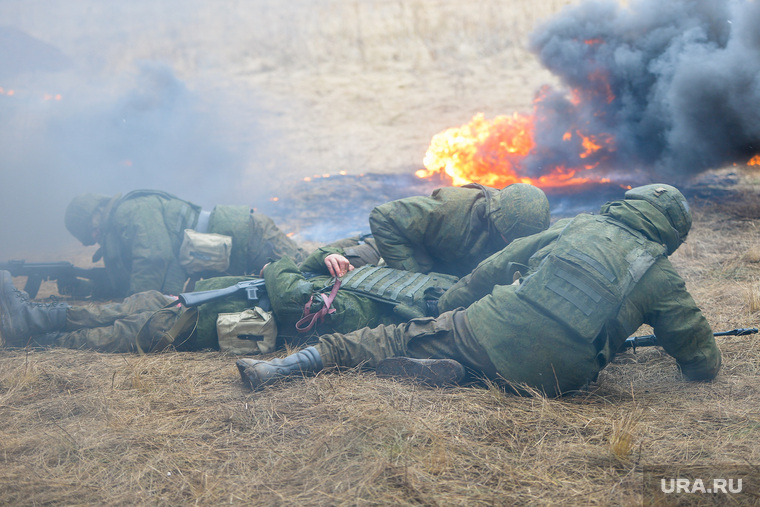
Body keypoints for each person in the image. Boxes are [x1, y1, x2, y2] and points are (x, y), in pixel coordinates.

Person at [237, 184, 722, 396]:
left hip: (488, 328)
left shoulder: (576, 227)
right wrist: (698, 362)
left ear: (629, 204)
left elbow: (497, 266)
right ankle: (460, 376)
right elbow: (699, 358)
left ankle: (282, 369)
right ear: (670, 235)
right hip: (560, 382)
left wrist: (448, 307)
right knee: (511, 365)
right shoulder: (663, 277)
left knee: (394, 337)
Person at [0, 239, 456, 353]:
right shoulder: (373, 290)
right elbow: (303, 266)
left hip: (214, 321)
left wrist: (275, 268)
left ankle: (33, 341)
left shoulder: (363, 315)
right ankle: (33, 319)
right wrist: (328, 257)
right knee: (135, 305)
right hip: (217, 295)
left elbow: (288, 290)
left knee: (128, 330)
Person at [64, 189, 308, 299]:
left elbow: (154, 257)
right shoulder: (123, 220)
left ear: (97, 213)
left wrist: (137, 305)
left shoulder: (130, 209)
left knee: (312, 273)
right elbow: (169, 263)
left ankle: (347, 252)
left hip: (252, 237)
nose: (95, 237)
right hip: (241, 248)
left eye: (92, 231)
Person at [368, 182, 550, 277]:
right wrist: (414, 275)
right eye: (507, 238)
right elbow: (382, 217)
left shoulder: (526, 224)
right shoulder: (448, 210)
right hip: (416, 256)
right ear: (495, 218)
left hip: (458, 272)